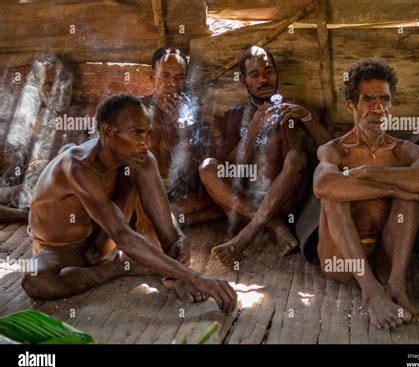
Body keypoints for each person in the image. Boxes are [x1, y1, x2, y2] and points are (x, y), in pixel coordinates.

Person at [21, 94, 237, 313]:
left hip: (101, 244)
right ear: (108, 132)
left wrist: (178, 245)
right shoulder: (77, 167)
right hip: (61, 250)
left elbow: (162, 224)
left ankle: (172, 271)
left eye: (148, 133)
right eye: (137, 133)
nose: (146, 142)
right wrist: (198, 278)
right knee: (35, 281)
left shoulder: (139, 158)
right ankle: (121, 269)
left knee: (143, 164)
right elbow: (122, 235)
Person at [313, 58, 419, 329]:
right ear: (351, 106)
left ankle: (396, 286)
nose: (378, 108)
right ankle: (371, 292)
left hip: (385, 257)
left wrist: (370, 173)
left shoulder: (402, 150)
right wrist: (395, 186)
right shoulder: (336, 150)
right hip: (342, 262)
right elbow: (323, 186)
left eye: (384, 99)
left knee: (409, 197)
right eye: (368, 99)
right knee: (335, 196)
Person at [199, 46, 332, 267]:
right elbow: (231, 167)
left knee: (296, 157)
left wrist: (308, 118)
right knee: (207, 167)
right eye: (254, 75)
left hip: (286, 202)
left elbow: (331, 149)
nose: (263, 79)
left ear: (277, 73)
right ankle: (274, 226)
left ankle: (247, 235)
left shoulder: (297, 107)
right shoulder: (235, 114)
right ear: (243, 80)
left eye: (268, 71)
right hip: (244, 204)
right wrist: (252, 131)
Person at [137, 47, 224, 234]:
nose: (173, 84)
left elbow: (189, 174)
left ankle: (176, 219)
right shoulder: (136, 111)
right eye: (165, 75)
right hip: (145, 195)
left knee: (223, 200)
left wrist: (183, 132)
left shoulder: (193, 115)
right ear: (151, 74)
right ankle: (174, 219)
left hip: (179, 195)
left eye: (180, 77)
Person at [0, 53, 94, 223]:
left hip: (67, 187)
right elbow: (21, 162)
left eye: (62, 81)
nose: (57, 90)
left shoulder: (88, 113)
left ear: (71, 80)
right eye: (48, 84)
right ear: (39, 88)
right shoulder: (36, 118)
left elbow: (96, 157)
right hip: (31, 188)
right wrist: (8, 185)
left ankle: (31, 214)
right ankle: (28, 216)